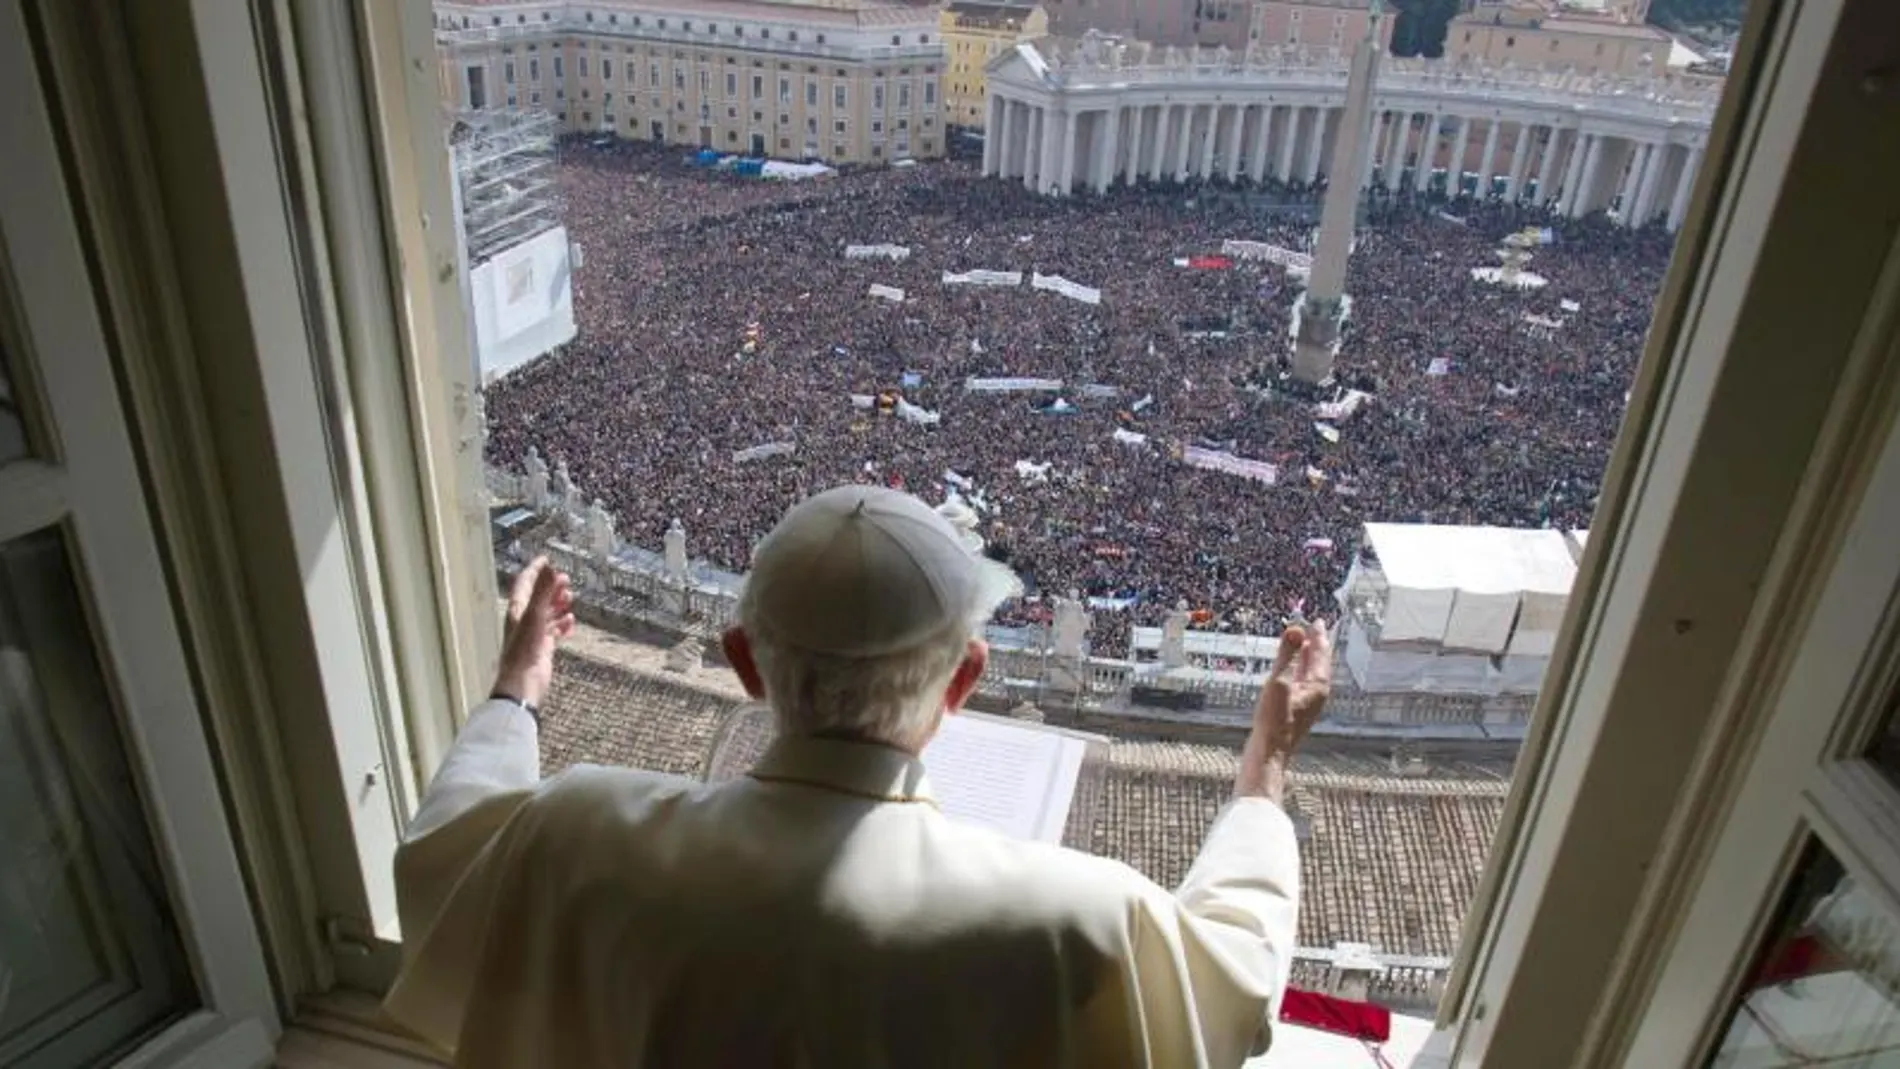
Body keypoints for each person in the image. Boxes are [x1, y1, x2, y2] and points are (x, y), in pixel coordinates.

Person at [385, 484, 1333, 1067]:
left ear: (744, 662)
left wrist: (517, 687)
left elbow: (441, 856)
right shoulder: (1079, 921)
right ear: (963, 680)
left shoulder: (574, 828)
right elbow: (1237, 979)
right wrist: (1264, 769)